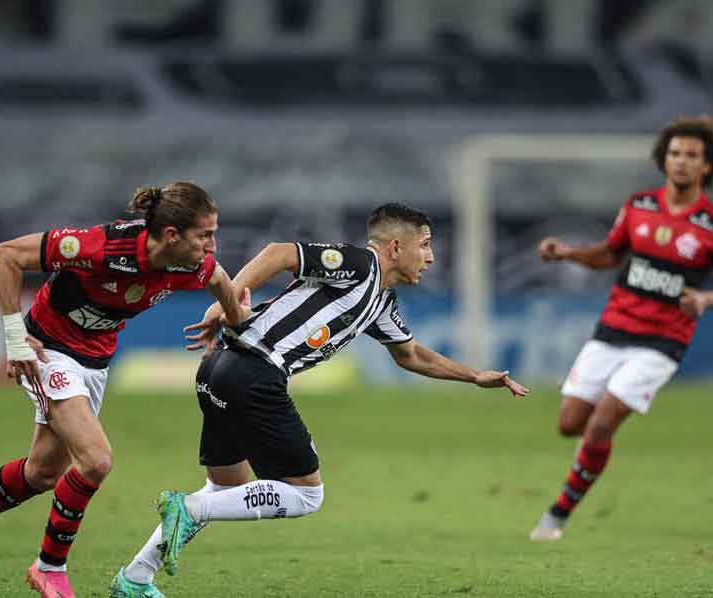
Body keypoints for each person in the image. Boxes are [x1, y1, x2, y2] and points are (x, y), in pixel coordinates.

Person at [106, 203, 529, 598]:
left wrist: (474, 376)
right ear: (395, 247)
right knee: (306, 495)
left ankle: (135, 576)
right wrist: (229, 296)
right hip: (254, 373)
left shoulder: (381, 301)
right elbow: (279, 253)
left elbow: (412, 355)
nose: (431, 257)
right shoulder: (359, 265)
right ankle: (190, 509)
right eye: (425, 245)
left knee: (226, 486)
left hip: (220, 370)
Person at [0, 182, 247, 598]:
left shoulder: (193, 264)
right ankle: (49, 567)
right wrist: (16, 337)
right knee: (95, 461)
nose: (212, 244)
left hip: (94, 361)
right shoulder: (102, 247)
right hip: (49, 350)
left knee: (41, 473)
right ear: (171, 235)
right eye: (205, 235)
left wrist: (233, 320)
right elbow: (5, 255)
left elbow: (221, 281)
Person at [528, 116, 713, 542]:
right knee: (570, 424)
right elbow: (610, 255)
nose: (681, 162)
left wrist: (706, 299)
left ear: (707, 166)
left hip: (662, 343)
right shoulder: (638, 206)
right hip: (612, 328)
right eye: (675, 153)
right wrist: (568, 253)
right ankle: (591, 451)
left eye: (692, 156)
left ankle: (556, 516)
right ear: (664, 159)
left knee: (602, 423)